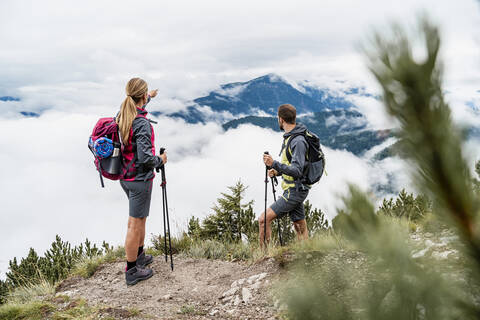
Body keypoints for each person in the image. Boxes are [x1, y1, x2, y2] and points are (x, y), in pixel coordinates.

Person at [116, 77, 167, 285]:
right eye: (146, 96)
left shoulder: (123, 114)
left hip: (126, 176)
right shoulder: (142, 124)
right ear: (142, 96)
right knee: (134, 224)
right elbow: (146, 159)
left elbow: (137, 103)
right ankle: (132, 270)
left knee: (140, 220)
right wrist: (160, 160)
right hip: (139, 178)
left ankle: (139, 256)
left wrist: (149, 97)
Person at [260, 104, 310, 247]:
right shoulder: (291, 137)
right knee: (299, 226)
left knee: (263, 220)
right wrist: (277, 171)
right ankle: (308, 257)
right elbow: (291, 165)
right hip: (296, 188)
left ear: (281, 119)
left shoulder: (297, 141)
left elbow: (297, 170)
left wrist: (274, 163)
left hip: (295, 190)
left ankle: (264, 258)